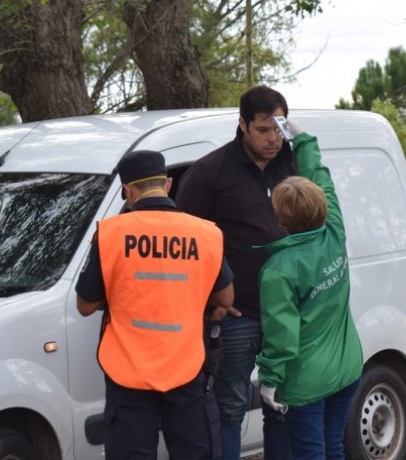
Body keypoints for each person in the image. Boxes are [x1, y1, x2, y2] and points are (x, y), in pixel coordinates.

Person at [75, 149, 235, 460]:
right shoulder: (205, 233)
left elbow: (85, 304)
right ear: (168, 184)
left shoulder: (111, 234)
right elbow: (226, 298)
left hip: (127, 372)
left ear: (128, 191)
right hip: (186, 367)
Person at [175, 85, 295, 459]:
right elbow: (185, 243)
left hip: (286, 314)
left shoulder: (294, 165)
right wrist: (212, 298)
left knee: (283, 408)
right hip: (235, 315)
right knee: (229, 409)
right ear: (242, 125)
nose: (273, 138)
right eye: (263, 129)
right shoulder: (210, 172)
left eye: (279, 128)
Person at [255, 120, 363, 460]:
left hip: (306, 381)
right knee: (333, 446)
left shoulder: (279, 269)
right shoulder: (334, 232)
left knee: (309, 451)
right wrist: (302, 140)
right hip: (346, 367)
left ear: (282, 221)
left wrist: (269, 379)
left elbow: (282, 335)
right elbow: (322, 179)